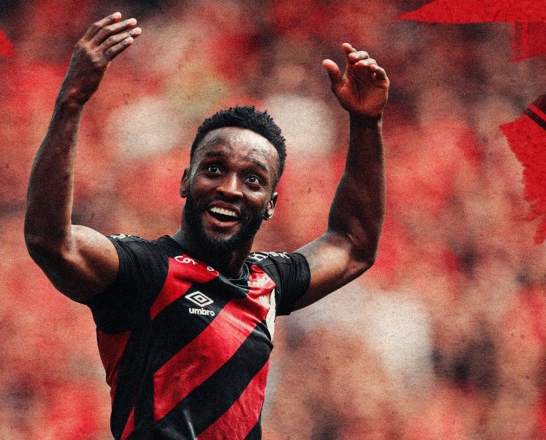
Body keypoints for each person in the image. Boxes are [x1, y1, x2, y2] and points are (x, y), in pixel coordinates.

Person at [24, 11, 389, 440]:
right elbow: (51, 241)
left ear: (271, 205)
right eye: (214, 169)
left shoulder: (267, 283)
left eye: (252, 179)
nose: (230, 189)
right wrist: (71, 101)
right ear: (185, 181)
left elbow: (354, 244)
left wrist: (367, 123)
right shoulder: (145, 271)